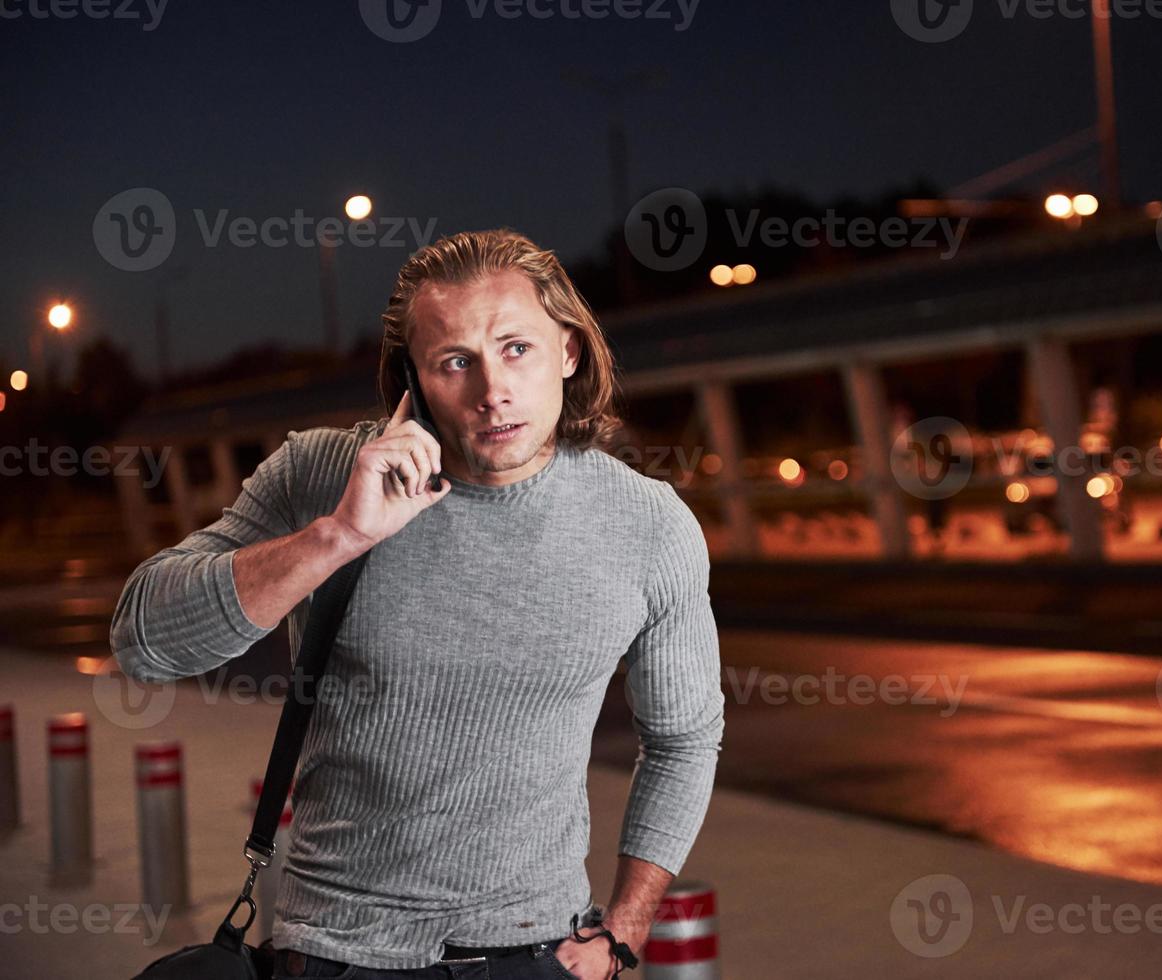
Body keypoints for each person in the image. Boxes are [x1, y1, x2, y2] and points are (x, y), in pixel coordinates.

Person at [110, 229, 725, 979]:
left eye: (517, 349)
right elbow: (145, 641)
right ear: (413, 379)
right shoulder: (321, 473)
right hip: (336, 952)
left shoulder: (649, 526)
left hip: (535, 950)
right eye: (455, 361)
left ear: (569, 350)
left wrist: (624, 930)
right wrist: (337, 536)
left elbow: (685, 740)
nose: (492, 389)